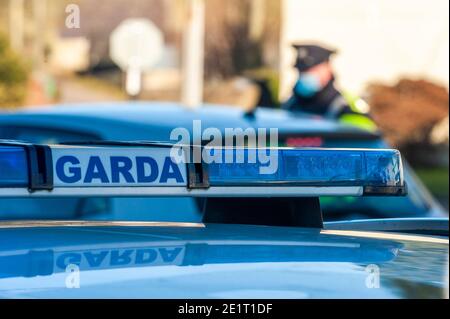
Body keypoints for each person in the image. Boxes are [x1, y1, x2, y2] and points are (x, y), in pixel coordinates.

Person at [282, 43, 377, 132]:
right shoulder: (289, 104)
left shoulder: (346, 105)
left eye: (311, 70)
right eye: (301, 71)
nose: (305, 75)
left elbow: (363, 141)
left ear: (327, 68)